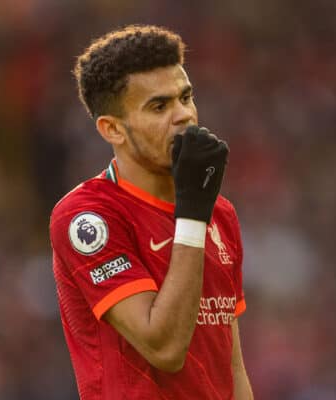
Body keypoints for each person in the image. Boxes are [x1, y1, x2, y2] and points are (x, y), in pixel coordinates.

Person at [49, 24, 253, 400]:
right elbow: (165, 348)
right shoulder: (87, 217)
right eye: (159, 106)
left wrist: (197, 207)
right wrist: (192, 214)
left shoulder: (219, 213)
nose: (183, 116)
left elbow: (232, 366)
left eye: (185, 97)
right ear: (113, 130)